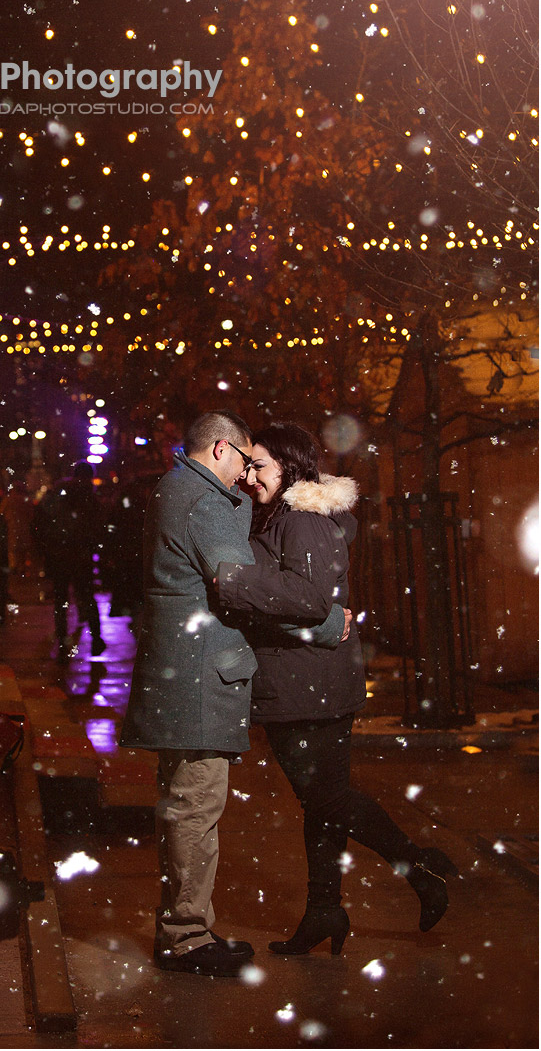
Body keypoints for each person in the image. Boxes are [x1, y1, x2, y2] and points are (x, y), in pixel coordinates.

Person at [215, 422, 459, 957]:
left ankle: (417, 865)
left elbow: (306, 598)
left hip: (309, 684)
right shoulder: (280, 516)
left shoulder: (302, 521)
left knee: (326, 799)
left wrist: (231, 581)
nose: (249, 476)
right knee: (321, 803)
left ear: (290, 466)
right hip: (303, 681)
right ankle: (325, 908)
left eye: (259, 466)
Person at [120, 411, 347, 978]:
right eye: (245, 460)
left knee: (185, 806)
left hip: (182, 673)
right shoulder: (203, 502)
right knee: (195, 808)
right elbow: (243, 587)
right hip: (197, 678)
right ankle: (186, 937)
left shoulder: (176, 490)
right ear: (221, 449)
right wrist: (327, 623)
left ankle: (185, 927)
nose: (247, 475)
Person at [37, 461, 105, 660]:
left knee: (61, 600)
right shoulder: (89, 497)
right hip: (81, 555)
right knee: (87, 597)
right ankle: (96, 639)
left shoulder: (59, 493)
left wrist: (48, 548)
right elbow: (97, 528)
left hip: (60, 555)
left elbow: (43, 520)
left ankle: (62, 643)